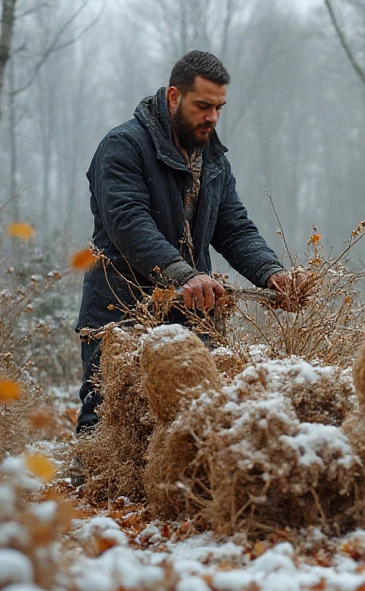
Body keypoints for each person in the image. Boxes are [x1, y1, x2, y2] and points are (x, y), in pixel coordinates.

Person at [75, 51, 313, 433]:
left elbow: (234, 228)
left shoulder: (215, 161)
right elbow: (129, 223)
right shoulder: (122, 147)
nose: (212, 118)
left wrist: (272, 275)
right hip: (120, 316)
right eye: (203, 106)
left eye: (219, 107)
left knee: (192, 429)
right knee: (107, 425)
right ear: (173, 96)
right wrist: (182, 275)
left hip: (193, 320)